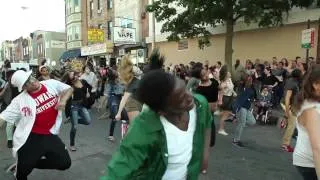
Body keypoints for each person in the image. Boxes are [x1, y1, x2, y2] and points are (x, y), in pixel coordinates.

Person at [100, 70, 212, 179]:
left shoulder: (200, 105)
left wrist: (205, 153)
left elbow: (207, 122)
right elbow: (118, 170)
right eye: (180, 98)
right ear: (162, 111)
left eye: (185, 89)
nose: (190, 97)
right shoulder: (143, 127)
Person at [0, 70, 73, 180]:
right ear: (23, 88)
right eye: (27, 83)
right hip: (30, 138)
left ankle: (25, 164)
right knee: (22, 173)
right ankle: (22, 167)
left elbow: (69, 89)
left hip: (50, 134)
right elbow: (2, 118)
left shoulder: (50, 84)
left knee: (64, 163)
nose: (32, 82)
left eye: (31, 77)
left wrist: (63, 100)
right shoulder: (19, 101)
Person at [293, 64, 320, 179]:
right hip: (311, 163)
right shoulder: (311, 110)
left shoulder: (313, 102)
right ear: (315, 84)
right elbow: (317, 148)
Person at [67, 71, 92, 151]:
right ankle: (72, 145)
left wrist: (88, 93)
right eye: (73, 76)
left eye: (76, 75)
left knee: (88, 121)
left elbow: (89, 87)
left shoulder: (83, 81)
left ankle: (73, 120)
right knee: (74, 127)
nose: (75, 77)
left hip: (82, 105)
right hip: (73, 106)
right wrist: (70, 78)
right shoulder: (70, 84)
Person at [115, 56, 142, 122]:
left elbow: (124, 99)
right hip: (134, 104)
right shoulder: (134, 82)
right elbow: (124, 99)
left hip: (138, 103)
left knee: (136, 127)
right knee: (136, 127)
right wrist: (118, 113)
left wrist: (118, 113)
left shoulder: (134, 81)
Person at [232, 75, 256, 147]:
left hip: (247, 108)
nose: (250, 81)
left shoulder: (251, 88)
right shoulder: (242, 88)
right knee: (241, 124)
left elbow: (253, 97)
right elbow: (239, 100)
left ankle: (240, 122)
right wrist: (235, 113)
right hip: (241, 107)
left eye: (251, 79)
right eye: (249, 80)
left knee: (252, 122)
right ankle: (236, 140)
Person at [282, 69, 302, 152]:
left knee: (291, 124)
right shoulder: (291, 83)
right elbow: (287, 98)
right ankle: (285, 144)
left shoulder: (294, 81)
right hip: (288, 105)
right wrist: (287, 112)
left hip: (292, 105)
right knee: (291, 125)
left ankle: (285, 143)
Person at [0, 70, 19, 148]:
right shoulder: (7, 84)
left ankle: (18, 138)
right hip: (9, 106)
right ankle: (10, 140)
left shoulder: (19, 84)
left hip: (19, 105)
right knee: (10, 123)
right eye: (11, 76)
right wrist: (5, 88)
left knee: (19, 123)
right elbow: (1, 95)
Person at [219, 65, 237, 136]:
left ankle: (222, 112)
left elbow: (231, 88)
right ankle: (221, 129)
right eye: (228, 72)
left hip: (230, 97)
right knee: (225, 115)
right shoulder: (224, 83)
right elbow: (220, 91)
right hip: (225, 98)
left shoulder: (229, 79)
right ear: (226, 74)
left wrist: (234, 92)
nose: (230, 73)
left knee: (227, 113)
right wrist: (220, 100)